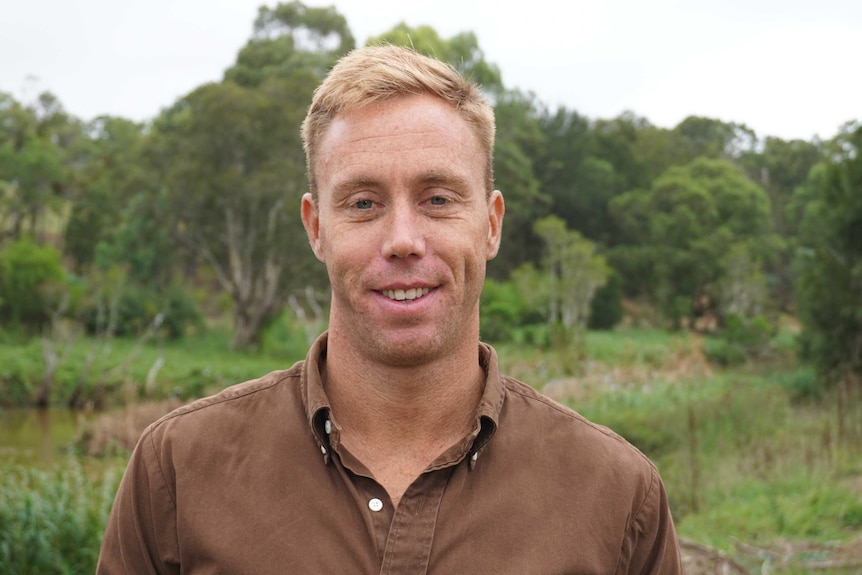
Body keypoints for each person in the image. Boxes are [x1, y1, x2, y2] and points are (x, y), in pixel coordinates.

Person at [97, 45, 682, 574]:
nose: (403, 239)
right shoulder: (177, 470)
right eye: (363, 202)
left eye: (437, 198)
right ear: (317, 227)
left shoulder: (619, 495)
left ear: (492, 224)